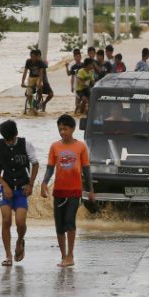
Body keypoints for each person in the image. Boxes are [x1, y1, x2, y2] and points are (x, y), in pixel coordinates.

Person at [41, 115, 93, 268]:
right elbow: (50, 168)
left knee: (70, 221)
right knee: (59, 225)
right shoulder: (54, 147)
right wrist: (44, 183)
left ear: (72, 129)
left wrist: (90, 189)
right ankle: (63, 256)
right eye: (60, 129)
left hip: (74, 191)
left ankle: (70, 255)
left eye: (65, 129)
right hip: (59, 191)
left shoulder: (81, 147)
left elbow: (86, 170)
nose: (62, 132)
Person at [0, 120, 40, 266]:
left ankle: (19, 240)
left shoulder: (26, 144)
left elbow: (35, 164)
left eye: (11, 139)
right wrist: (4, 185)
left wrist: (31, 184)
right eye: (7, 140)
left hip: (22, 188)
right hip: (6, 188)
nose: (10, 142)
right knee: (6, 220)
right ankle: (8, 255)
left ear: (16, 133)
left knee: (20, 222)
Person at [65, 49, 84, 114]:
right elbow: (70, 75)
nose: (77, 58)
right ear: (74, 57)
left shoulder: (83, 65)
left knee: (83, 99)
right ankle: (77, 112)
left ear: (81, 57)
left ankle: (78, 112)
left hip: (83, 84)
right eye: (76, 57)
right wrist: (66, 67)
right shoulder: (73, 67)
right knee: (77, 100)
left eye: (78, 56)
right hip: (76, 85)